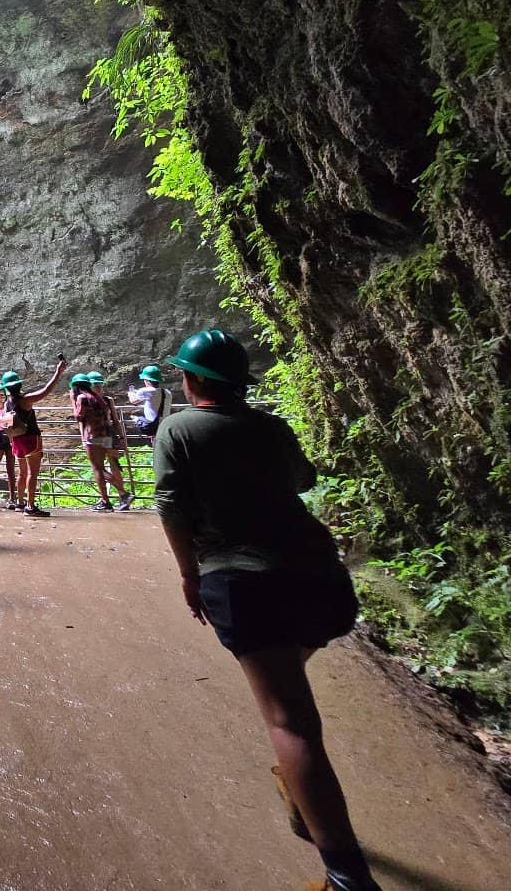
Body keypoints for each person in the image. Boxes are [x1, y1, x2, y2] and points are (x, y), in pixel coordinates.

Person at [154, 330, 379, 891]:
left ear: (195, 380)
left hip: (245, 582)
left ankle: (347, 877)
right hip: (321, 579)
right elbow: (303, 480)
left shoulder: (179, 428)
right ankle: (306, 797)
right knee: (290, 679)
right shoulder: (271, 427)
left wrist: (188, 573)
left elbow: (171, 506)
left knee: (290, 722)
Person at [0, 356, 67, 517]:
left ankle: (20, 503)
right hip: (30, 439)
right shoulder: (25, 400)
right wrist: (58, 372)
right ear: (19, 384)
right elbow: (46, 391)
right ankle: (30, 506)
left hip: (17, 441)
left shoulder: (8, 403)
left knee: (22, 473)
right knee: (32, 474)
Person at [71, 373, 129, 511]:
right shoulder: (100, 398)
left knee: (98, 469)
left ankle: (122, 494)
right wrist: (121, 438)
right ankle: (107, 500)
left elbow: (78, 417)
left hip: (92, 437)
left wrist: (73, 401)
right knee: (104, 467)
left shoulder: (82, 398)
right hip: (105, 436)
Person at [87, 370, 132, 503]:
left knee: (100, 467)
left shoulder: (87, 400)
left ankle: (119, 495)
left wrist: (122, 438)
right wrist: (121, 438)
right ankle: (120, 497)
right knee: (112, 465)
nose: (98, 388)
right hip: (109, 436)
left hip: (99, 437)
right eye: (97, 385)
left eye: (98, 385)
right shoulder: (107, 400)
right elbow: (116, 421)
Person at [128, 364, 172, 443]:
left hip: (153, 427)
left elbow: (134, 402)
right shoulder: (167, 392)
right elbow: (152, 395)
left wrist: (130, 392)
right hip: (165, 426)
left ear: (147, 380)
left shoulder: (145, 391)